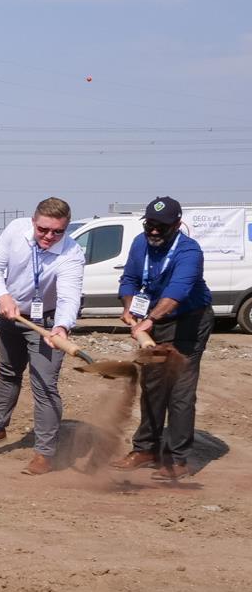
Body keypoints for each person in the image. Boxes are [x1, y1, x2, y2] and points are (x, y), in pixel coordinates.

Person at [0, 198, 86, 475]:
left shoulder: (72, 254)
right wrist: (3, 295)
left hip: (46, 322)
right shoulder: (15, 230)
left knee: (45, 385)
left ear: (66, 228)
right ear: (34, 222)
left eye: (57, 231)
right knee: (8, 373)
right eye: (44, 229)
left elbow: (70, 297)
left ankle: (45, 452)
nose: (49, 236)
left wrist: (61, 328)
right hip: (12, 316)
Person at [114, 196, 211, 482]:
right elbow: (129, 278)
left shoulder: (189, 251)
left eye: (162, 226)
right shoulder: (139, 243)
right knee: (153, 386)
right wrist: (129, 306)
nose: (154, 231)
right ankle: (146, 449)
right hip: (153, 321)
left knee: (180, 390)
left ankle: (177, 458)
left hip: (189, 323)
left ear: (177, 225)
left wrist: (149, 320)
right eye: (150, 224)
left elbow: (178, 292)